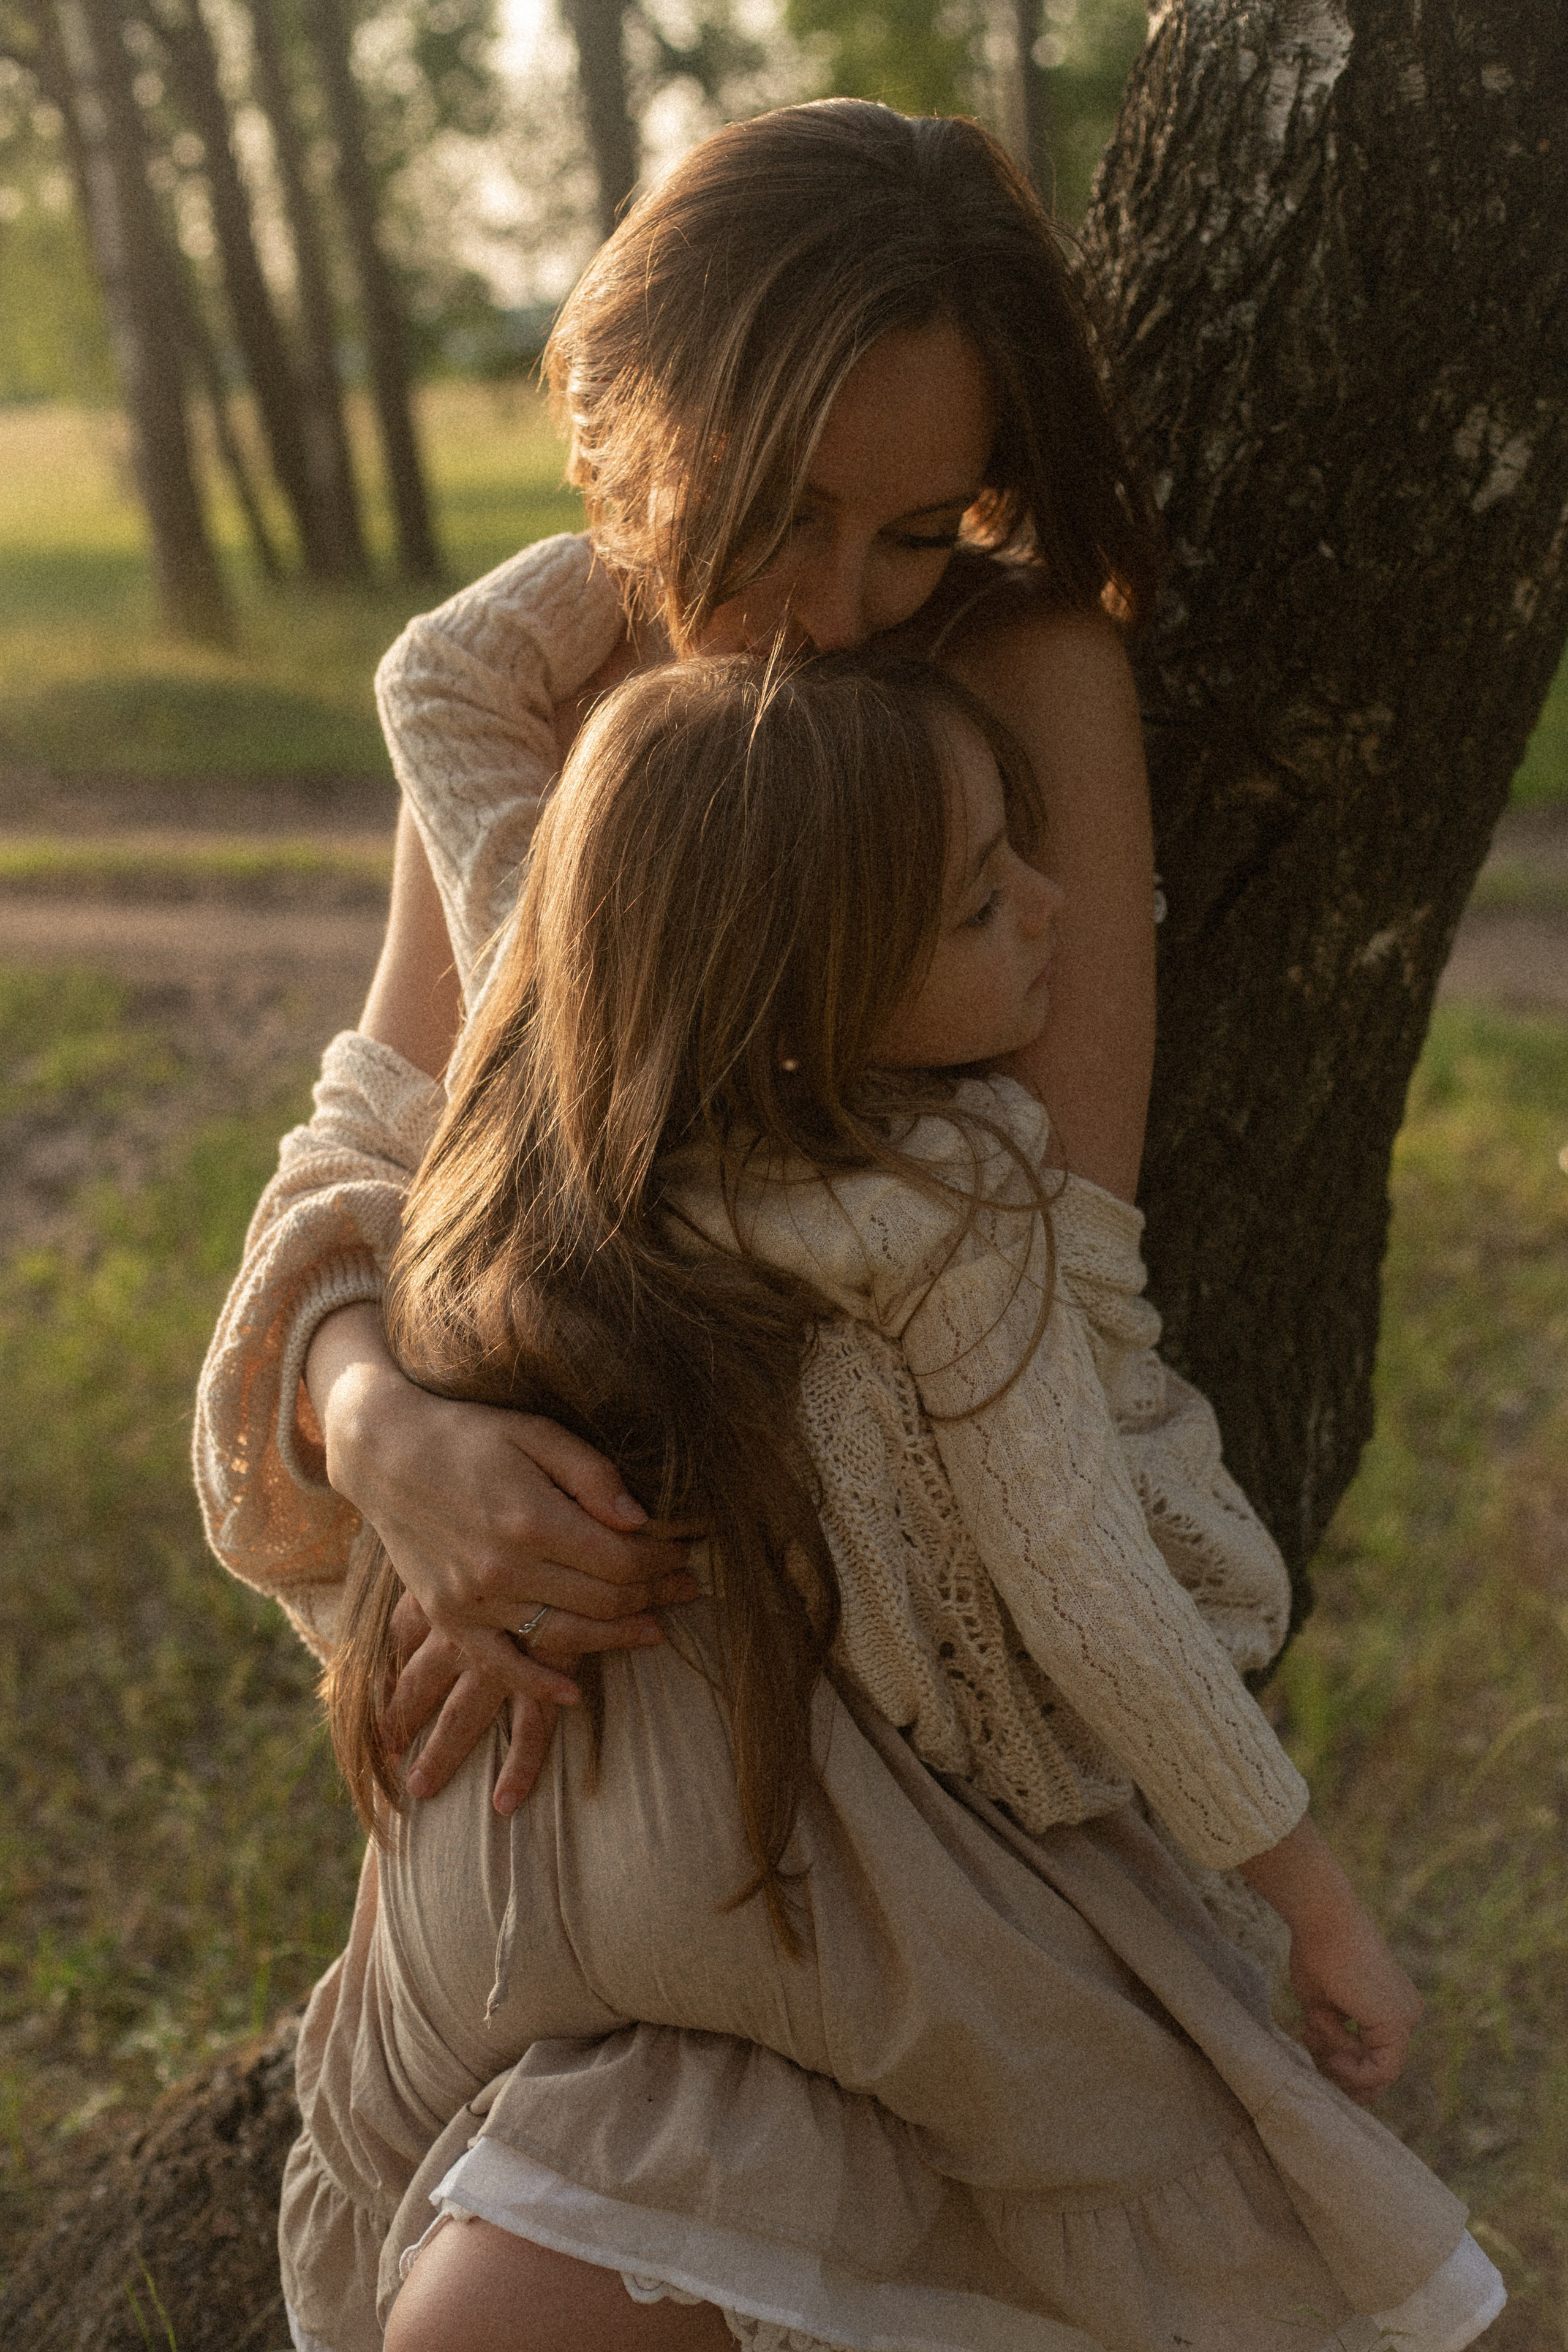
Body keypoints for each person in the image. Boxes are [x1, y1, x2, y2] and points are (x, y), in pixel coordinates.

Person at [275, 649, 1501, 2352]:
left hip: (749, 1956)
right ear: (792, 975)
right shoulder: (690, 1157)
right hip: (682, 1953)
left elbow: (1095, 1600)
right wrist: (1316, 1902)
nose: (1057, 912)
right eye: (978, 904)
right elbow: (442, 690)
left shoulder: (700, 1183)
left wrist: (1312, 1900)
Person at [194, 98, 1161, 1817]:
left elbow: (1054, 1267)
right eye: (783, 511)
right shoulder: (531, 712)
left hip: (891, 1658)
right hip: (519, 1610)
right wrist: (386, 1437)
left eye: (919, 527)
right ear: (645, 419)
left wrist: (577, 1489)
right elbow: (365, 1161)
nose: (845, 608)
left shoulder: (1020, 682)